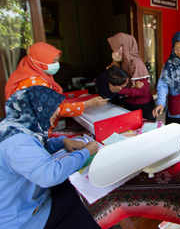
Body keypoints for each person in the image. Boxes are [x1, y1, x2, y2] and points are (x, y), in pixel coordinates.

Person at [0, 85, 100, 229]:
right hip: (24, 218)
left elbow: (38, 145)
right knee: (89, 198)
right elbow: (51, 175)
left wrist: (63, 141)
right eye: (52, 111)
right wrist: (84, 153)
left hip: (26, 203)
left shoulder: (12, 126)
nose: (55, 115)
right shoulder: (17, 144)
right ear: (38, 109)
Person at [4, 42, 108, 133]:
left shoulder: (28, 74)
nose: (56, 65)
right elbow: (57, 109)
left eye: (57, 61)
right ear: (38, 61)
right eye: (53, 62)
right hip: (33, 131)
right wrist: (89, 103)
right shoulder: (36, 84)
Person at [107, 33, 155, 121]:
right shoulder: (121, 62)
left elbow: (143, 91)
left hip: (143, 106)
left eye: (114, 48)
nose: (113, 51)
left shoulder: (136, 63)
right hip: (129, 103)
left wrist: (121, 90)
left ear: (122, 47)